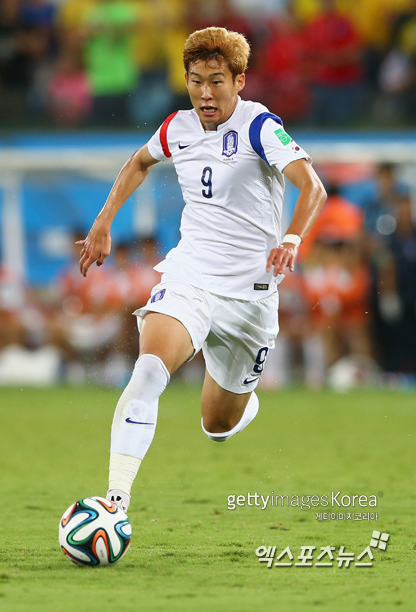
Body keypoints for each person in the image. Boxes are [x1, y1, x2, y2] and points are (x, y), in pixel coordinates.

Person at [78, 27, 327, 512]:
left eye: (216, 81)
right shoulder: (178, 127)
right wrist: (103, 220)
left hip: (251, 297)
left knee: (216, 425)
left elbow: (312, 186)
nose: (205, 93)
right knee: (148, 371)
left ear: (239, 80)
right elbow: (139, 161)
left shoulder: (260, 127)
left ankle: (240, 396)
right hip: (191, 276)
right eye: (195, 81)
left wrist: (292, 239)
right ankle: (115, 502)